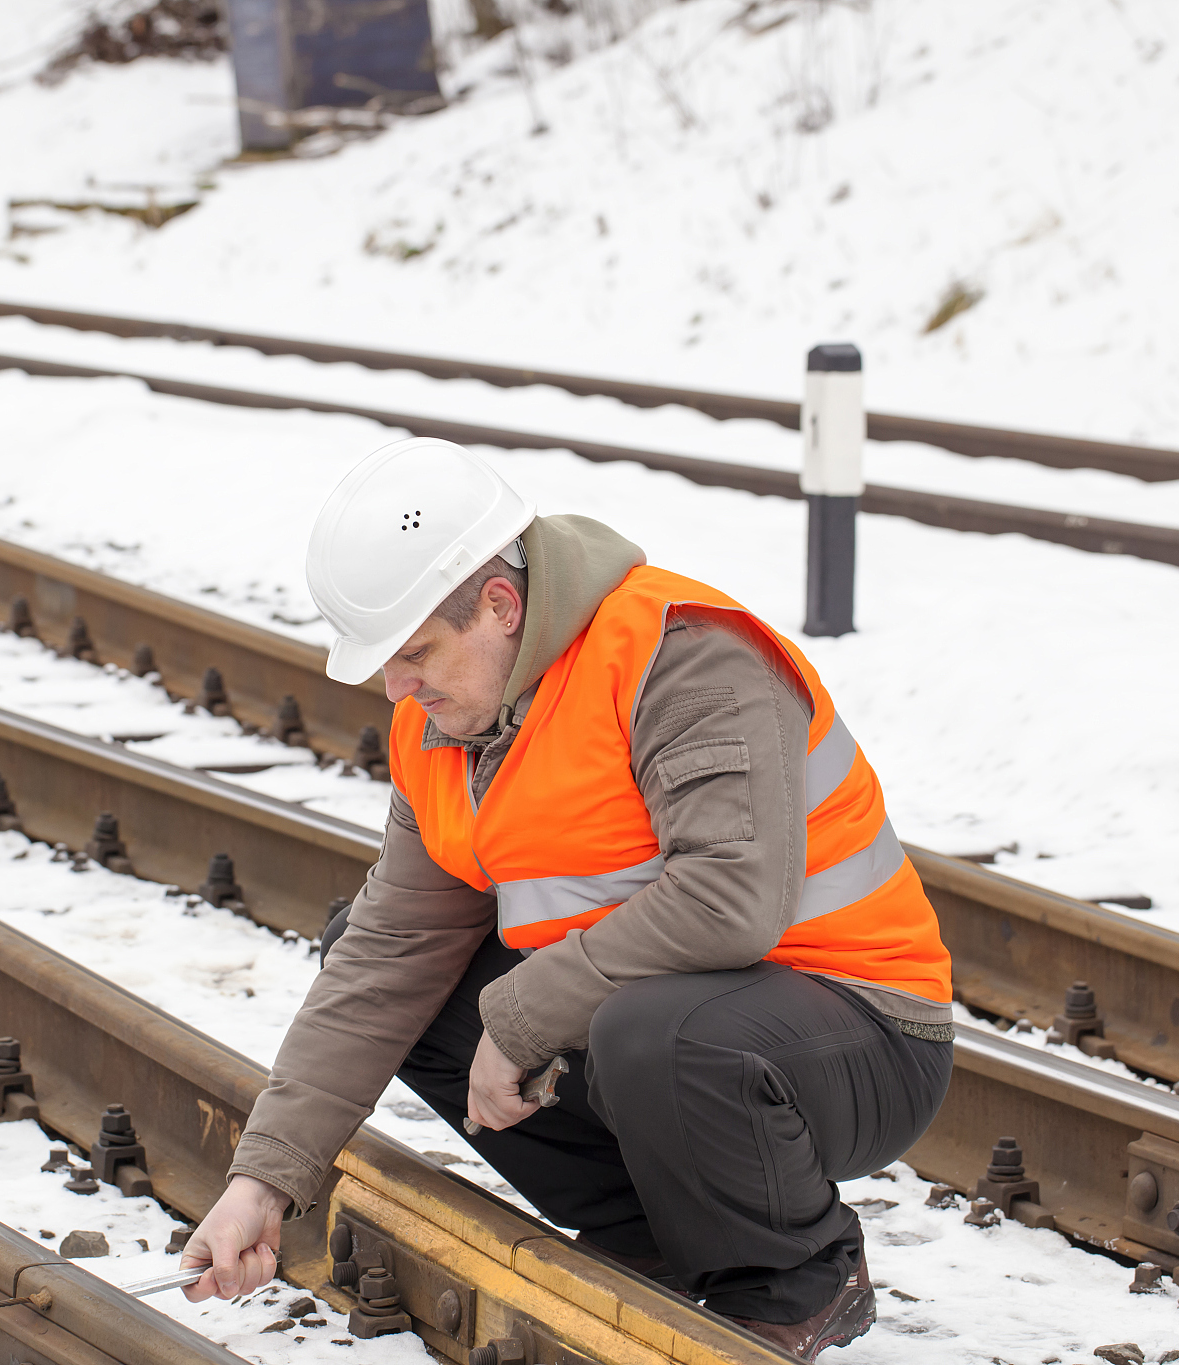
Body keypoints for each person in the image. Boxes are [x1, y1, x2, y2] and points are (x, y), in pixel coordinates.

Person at [179, 437, 954, 1358]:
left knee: (653, 1033)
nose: (397, 687)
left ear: (500, 605)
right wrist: (262, 1182)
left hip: (856, 1032)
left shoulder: (683, 657)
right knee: (391, 965)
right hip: (669, 1028)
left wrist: (522, 1014)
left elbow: (730, 898)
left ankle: (796, 1276)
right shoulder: (442, 728)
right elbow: (387, 956)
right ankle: (657, 1245)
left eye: (415, 652)